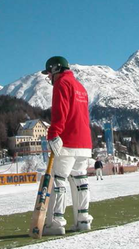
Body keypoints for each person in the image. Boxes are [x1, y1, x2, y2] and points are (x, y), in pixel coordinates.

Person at [42, 56, 94, 235]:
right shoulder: (80, 87)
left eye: (49, 73)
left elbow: (60, 111)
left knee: (59, 180)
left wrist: (53, 133)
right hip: (84, 142)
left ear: (56, 69)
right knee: (80, 181)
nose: (49, 77)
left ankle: (56, 223)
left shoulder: (62, 83)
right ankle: (83, 220)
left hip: (67, 141)